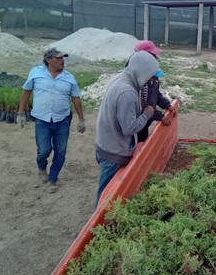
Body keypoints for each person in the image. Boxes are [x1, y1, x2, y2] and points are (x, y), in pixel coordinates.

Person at [94, 50, 162, 207]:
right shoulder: (127, 93)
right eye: (150, 75)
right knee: (106, 197)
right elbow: (129, 128)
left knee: (109, 192)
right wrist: (146, 114)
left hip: (105, 144)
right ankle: (96, 228)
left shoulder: (121, 79)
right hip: (113, 153)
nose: (151, 80)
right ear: (142, 72)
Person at [17, 47, 85, 193]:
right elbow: (26, 91)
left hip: (62, 120)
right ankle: (42, 168)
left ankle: (52, 178)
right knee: (44, 150)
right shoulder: (36, 73)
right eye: (59, 58)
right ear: (49, 60)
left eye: (63, 58)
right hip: (42, 120)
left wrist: (81, 119)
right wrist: (21, 112)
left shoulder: (69, 77)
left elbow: (76, 98)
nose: (62, 61)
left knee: (60, 151)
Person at [131, 40, 177, 142]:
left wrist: (166, 105)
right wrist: (159, 116)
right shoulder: (139, 81)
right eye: (152, 56)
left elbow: (156, 94)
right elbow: (143, 106)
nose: (155, 59)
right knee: (137, 147)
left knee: (143, 143)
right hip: (137, 125)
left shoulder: (153, 76)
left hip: (146, 122)